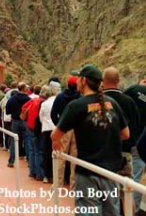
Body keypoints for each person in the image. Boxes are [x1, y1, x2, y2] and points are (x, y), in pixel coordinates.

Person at [51, 64, 130, 216]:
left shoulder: (76, 106)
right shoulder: (113, 103)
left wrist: (56, 143)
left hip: (88, 172)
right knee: (111, 212)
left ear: (83, 81)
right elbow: (126, 134)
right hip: (112, 173)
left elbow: (55, 135)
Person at [103, 67, 140, 214]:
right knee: (127, 192)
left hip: (103, 156)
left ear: (103, 81)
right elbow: (135, 128)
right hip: (125, 153)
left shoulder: (97, 100)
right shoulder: (129, 101)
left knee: (105, 194)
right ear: (118, 81)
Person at [50, 75, 80, 188]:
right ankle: (74, 186)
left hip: (64, 128)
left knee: (60, 156)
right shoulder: (80, 97)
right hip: (77, 129)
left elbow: (53, 113)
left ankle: (57, 184)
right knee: (75, 158)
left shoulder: (60, 96)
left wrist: (59, 124)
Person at [124, 74, 146, 215]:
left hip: (129, 139)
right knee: (138, 177)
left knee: (132, 178)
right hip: (140, 140)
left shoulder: (134, 89)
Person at [6, 82, 31, 167]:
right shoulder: (29, 99)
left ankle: (11, 161)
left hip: (15, 121)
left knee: (14, 141)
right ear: (25, 89)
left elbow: (7, 111)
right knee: (27, 141)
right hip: (25, 121)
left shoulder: (12, 99)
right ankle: (29, 161)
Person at [39, 83, 60, 183]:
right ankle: (57, 175)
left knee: (46, 153)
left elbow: (41, 117)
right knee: (57, 152)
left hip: (46, 129)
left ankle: (47, 176)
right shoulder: (58, 102)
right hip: (56, 129)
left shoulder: (44, 103)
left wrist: (45, 123)